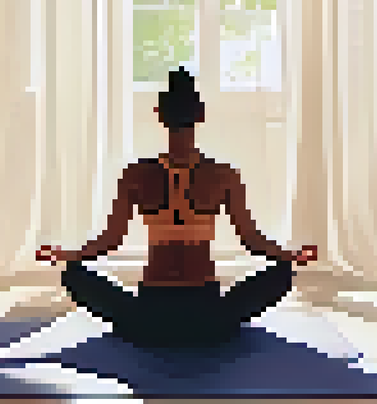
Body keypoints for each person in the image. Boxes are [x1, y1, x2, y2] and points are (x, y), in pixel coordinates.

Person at [36, 66, 317, 349]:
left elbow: (110, 241)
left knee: (73, 274)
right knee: (282, 273)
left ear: (159, 115)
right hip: (208, 314)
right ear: (201, 115)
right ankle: (211, 329)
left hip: (150, 314)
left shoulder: (135, 175)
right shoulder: (223, 175)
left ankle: (145, 328)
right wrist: (290, 255)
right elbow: (251, 240)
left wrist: (67, 255)